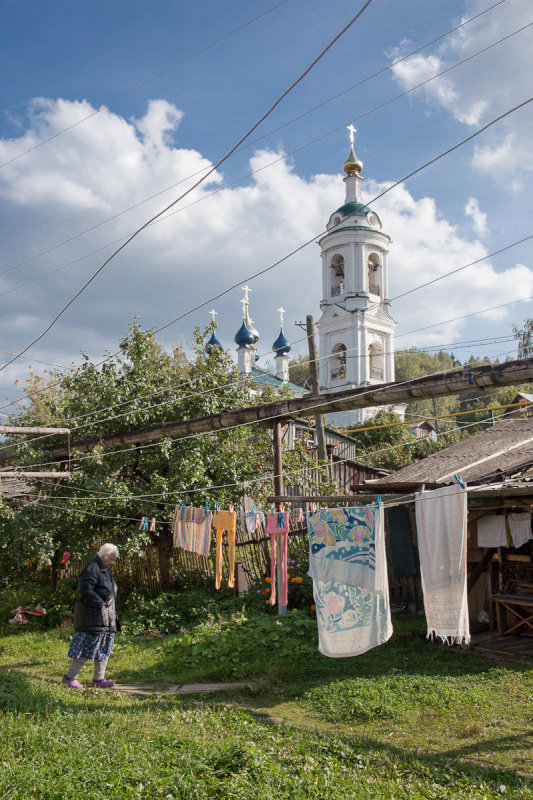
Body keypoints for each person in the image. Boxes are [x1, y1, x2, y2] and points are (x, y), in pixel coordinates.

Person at [62, 543, 120, 689]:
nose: (113, 563)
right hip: (92, 616)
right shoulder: (92, 568)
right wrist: (101, 605)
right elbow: (84, 591)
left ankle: (98, 679)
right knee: (87, 649)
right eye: (111, 559)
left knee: (104, 649)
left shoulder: (105, 569)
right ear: (104, 556)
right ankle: (69, 677)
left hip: (105, 617)